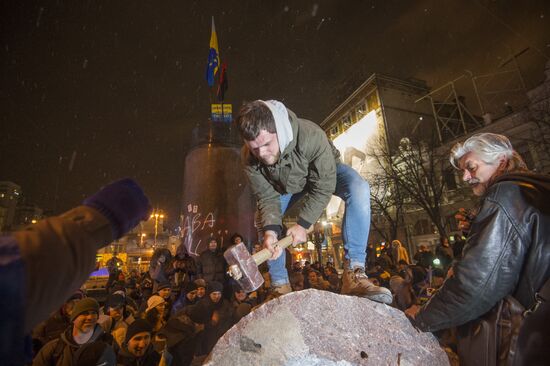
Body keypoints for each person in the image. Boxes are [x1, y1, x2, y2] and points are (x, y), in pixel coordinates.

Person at [405, 133, 550, 364]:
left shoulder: (505, 194)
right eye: (463, 170)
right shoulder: (536, 189)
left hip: (527, 338)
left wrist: (422, 318)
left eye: (471, 168)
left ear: (501, 161)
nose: (465, 177)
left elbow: (476, 282)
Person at [237, 100, 391, 304]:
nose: (262, 154)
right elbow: (267, 197)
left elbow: (324, 185)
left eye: (266, 144)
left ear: (279, 131)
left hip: (325, 173)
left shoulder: (311, 135)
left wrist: (303, 225)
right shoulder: (249, 158)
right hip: (287, 186)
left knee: (359, 187)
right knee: (263, 219)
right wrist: (270, 233)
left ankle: (354, 272)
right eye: (255, 148)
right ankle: (279, 285)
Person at [0, 178, 150, 365]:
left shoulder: (105, 340)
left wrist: (92, 224)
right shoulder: (52, 345)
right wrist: (96, 223)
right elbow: (16, 279)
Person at [33, 298, 116, 365]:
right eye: (85, 313)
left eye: (94, 313)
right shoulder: (55, 348)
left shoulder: (108, 343)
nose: (90, 317)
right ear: (73, 319)